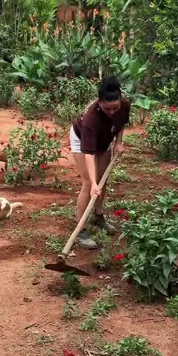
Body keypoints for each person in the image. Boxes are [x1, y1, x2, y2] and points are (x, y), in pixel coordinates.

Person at [70, 75, 130, 249]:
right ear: (99, 101)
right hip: (82, 139)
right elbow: (89, 155)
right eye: (107, 108)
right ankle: (81, 230)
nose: (112, 112)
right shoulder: (91, 119)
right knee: (89, 184)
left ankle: (97, 216)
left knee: (103, 179)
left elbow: (121, 122)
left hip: (104, 139)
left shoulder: (124, 104)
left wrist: (119, 142)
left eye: (115, 108)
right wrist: (94, 183)